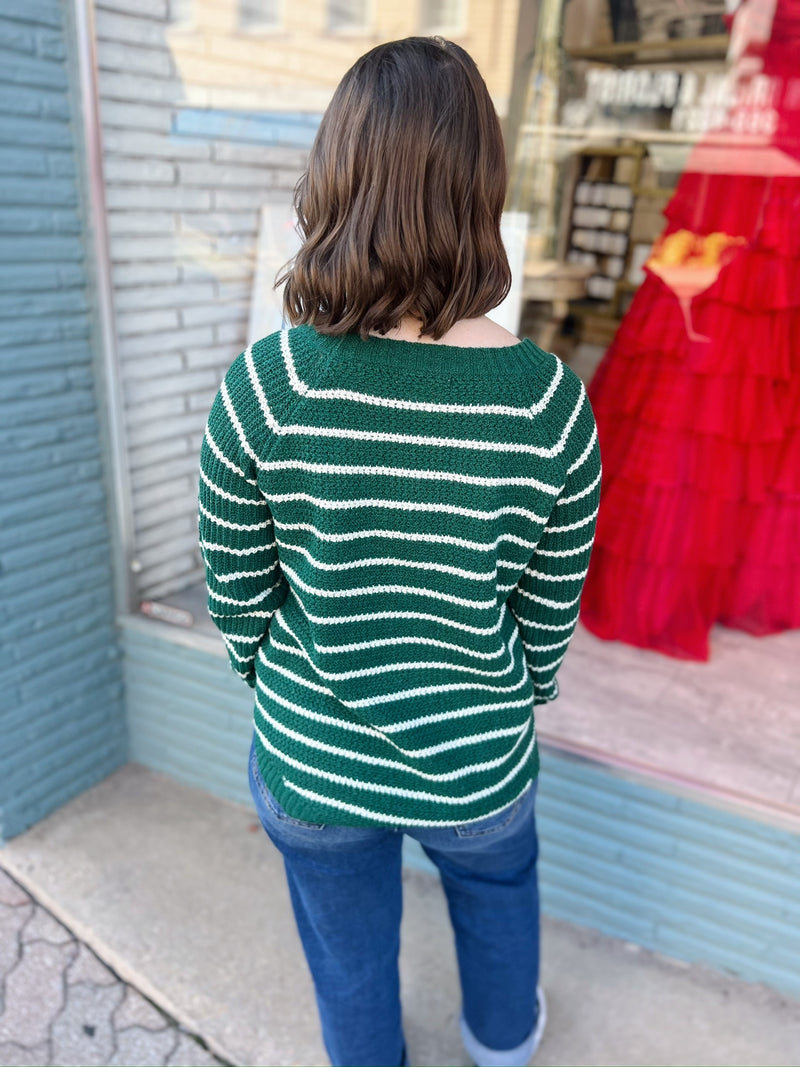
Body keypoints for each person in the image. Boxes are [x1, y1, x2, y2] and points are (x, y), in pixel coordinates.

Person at [198, 36, 600, 1067]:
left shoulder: (268, 386)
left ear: (337, 179)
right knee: (501, 895)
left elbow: (234, 587)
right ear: (481, 190)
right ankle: (502, 1043)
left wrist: (284, 677)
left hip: (313, 751)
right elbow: (546, 609)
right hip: (477, 755)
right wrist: (517, 688)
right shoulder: (549, 404)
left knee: (346, 953)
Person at [580, 0, 800, 660]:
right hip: (770, 155)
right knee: (758, 354)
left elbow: (742, 65)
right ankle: (736, 577)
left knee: (712, 341)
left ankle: (681, 573)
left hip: (758, 152)